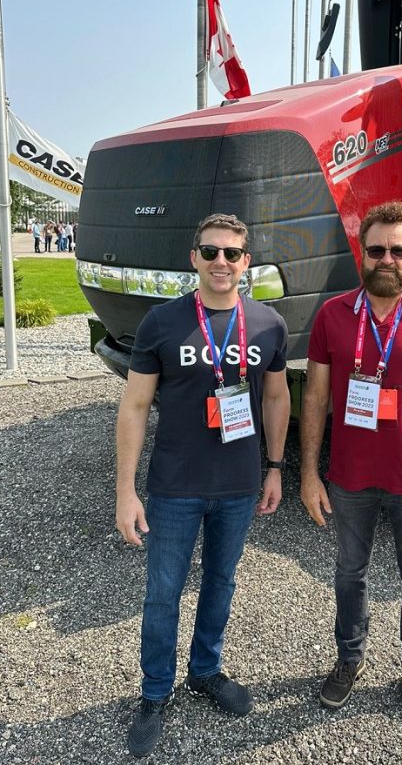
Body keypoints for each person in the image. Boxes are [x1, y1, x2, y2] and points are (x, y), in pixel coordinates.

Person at [116, 212, 291, 758]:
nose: (221, 262)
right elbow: (134, 406)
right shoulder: (162, 323)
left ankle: (205, 671)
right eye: (210, 252)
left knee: (220, 582)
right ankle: (154, 693)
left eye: (231, 254)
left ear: (246, 262)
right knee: (162, 594)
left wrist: (275, 467)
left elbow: (277, 397)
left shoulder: (268, 324)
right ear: (193, 258)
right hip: (174, 487)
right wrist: (126, 491)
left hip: (238, 486)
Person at [300, 200, 402, 728]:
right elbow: (315, 398)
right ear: (362, 253)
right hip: (349, 478)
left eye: (398, 250)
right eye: (377, 250)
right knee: (349, 573)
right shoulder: (332, 315)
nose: (387, 260)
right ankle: (350, 659)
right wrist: (308, 473)